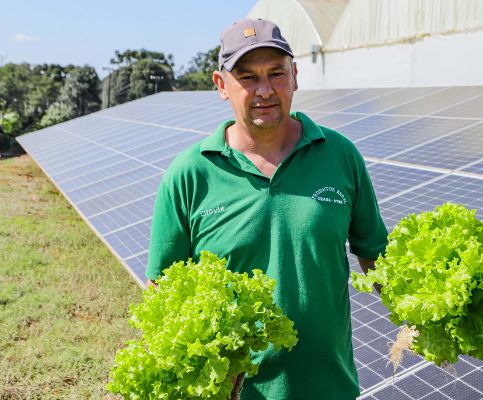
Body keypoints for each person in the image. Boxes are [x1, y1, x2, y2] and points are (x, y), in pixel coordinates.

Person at [145, 18, 388, 400]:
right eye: (247, 77)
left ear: (295, 76)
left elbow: (376, 258)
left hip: (331, 388)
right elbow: (162, 295)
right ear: (221, 85)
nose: (264, 90)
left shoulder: (340, 155)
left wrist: (425, 303)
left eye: (276, 73)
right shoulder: (190, 174)